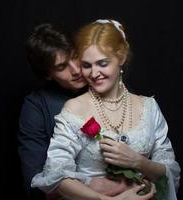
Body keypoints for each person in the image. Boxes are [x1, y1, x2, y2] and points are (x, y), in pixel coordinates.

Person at [31, 19, 181, 200]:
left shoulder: (149, 106)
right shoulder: (73, 108)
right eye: (86, 65)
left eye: (102, 63)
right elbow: (57, 175)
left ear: (122, 58)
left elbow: (169, 171)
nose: (93, 74)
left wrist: (138, 161)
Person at [18, 23, 134, 200]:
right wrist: (96, 186)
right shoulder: (36, 106)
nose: (76, 70)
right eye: (61, 67)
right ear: (47, 74)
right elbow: (34, 184)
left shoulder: (105, 84)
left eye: (76, 57)